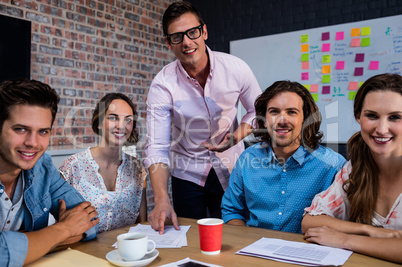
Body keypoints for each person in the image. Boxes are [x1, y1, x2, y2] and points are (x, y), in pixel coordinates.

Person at [144, 1, 262, 234]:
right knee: (188, 238)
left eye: (192, 32)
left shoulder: (236, 68)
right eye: (177, 37)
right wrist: (161, 199)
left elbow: (258, 110)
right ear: (169, 43)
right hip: (187, 173)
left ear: (204, 31)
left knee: (235, 235)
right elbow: (156, 146)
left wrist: (235, 137)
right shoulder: (162, 84)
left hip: (232, 169)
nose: (187, 42)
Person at [221, 81, 346, 233]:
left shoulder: (333, 165)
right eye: (274, 112)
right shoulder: (247, 159)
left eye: (291, 112)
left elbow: (344, 219)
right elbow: (231, 209)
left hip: (308, 251)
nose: (282, 120)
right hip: (254, 249)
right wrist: (246, 241)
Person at [302, 73, 402, 263]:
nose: (381, 129)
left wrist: (346, 239)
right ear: (358, 116)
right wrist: (368, 231)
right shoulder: (356, 167)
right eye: (372, 116)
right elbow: (310, 221)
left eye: (395, 117)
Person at [0, 79, 99, 267]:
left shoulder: (42, 167)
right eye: (21, 129)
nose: (33, 143)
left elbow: (90, 220)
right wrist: (65, 229)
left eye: (43, 131)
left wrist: (40, 241)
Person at [59, 93, 147, 233]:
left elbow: (142, 225)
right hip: (82, 252)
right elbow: (59, 227)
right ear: (99, 122)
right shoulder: (71, 167)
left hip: (126, 252)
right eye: (113, 118)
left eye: (128, 120)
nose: (121, 126)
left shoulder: (137, 169)